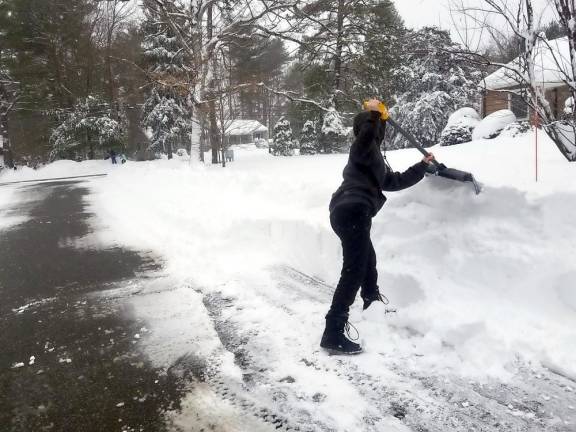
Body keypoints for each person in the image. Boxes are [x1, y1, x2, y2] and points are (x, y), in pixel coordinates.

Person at [321, 99, 435, 355]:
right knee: (353, 269)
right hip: (352, 209)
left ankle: (372, 301)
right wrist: (374, 114)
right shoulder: (361, 147)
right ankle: (333, 330)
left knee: (366, 259)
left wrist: (423, 166)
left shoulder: (372, 157)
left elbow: (393, 181)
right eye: (377, 128)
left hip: (348, 210)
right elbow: (367, 133)